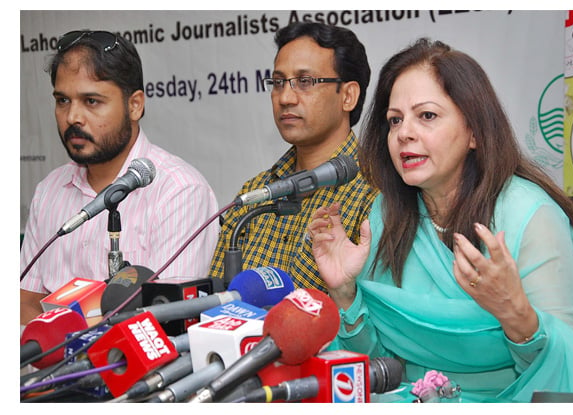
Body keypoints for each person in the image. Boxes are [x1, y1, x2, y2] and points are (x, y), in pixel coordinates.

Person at [308, 38, 573, 402]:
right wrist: (345, 293)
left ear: (475, 132)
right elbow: (378, 367)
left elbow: (565, 376)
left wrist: (516, 315)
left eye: (426, 116)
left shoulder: (533, 217)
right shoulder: (386, 213)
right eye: (394, 120)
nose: (404, 134)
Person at [20, 30, 220, 325]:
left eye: (91, 101)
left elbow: (167, 319)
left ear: (135, 105)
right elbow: (25, 302)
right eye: (63, 100)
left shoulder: (180, 191)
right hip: (51, 369)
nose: (73, 116)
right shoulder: (49, 190)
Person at [208, 22, 377, 290]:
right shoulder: (254, 193)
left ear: (348, 96)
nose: (285, 97)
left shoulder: (376, 194)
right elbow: (214, 301)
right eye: (277, 83)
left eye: (305, 82)